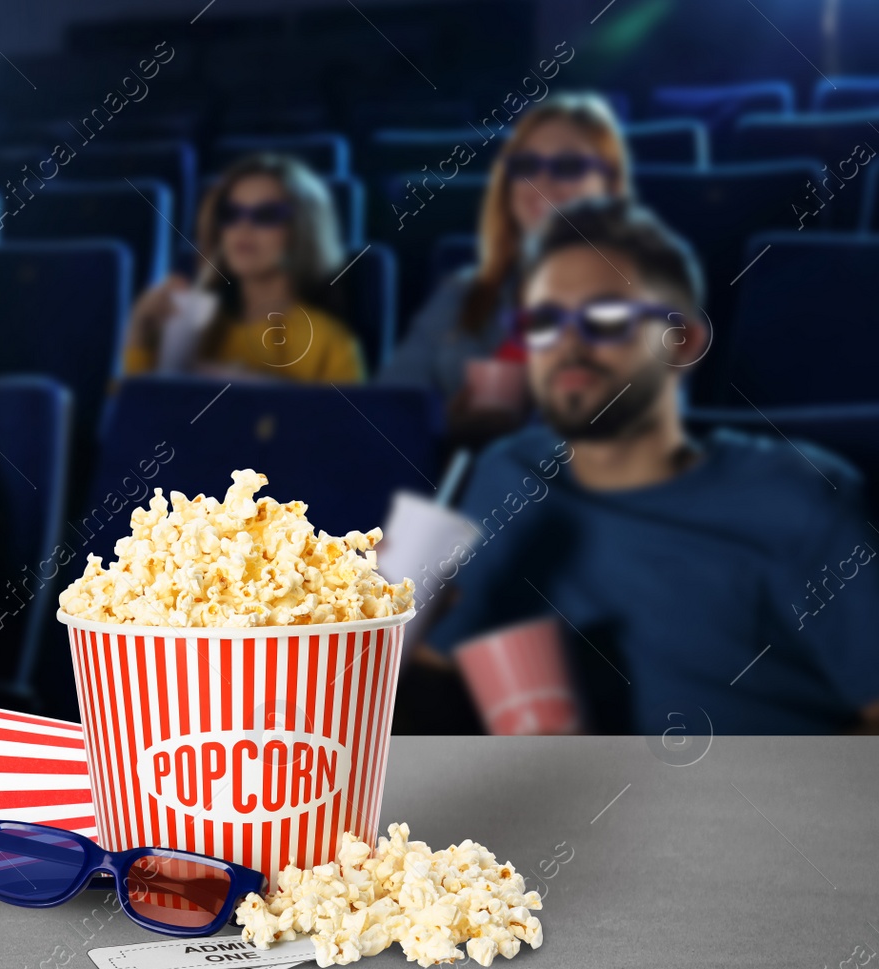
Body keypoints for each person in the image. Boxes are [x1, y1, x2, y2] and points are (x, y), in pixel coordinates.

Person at [418, 197, 879, 734]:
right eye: (542, 322)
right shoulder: (506, 472)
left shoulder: (799, 497)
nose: (568, 345)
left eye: (606, 318)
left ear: (682, 342)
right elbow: (444, 667)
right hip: (555, 796)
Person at [381, 94, 629, 442]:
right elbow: (386, 411)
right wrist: (448, 422)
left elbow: (647, 438)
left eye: (569, 166)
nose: (542, 182)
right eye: (526, 166)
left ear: (609, 185)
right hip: (446, 486)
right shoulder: (462, 290)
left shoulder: (645, 295)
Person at [124, 153, 365, 383]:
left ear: (303, 229)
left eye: (266, 214)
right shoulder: (194, 328)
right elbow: (133, 419)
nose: (243, 226)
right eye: (231, 214)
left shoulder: (332, 343)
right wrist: (139, 332)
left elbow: (343, 425)